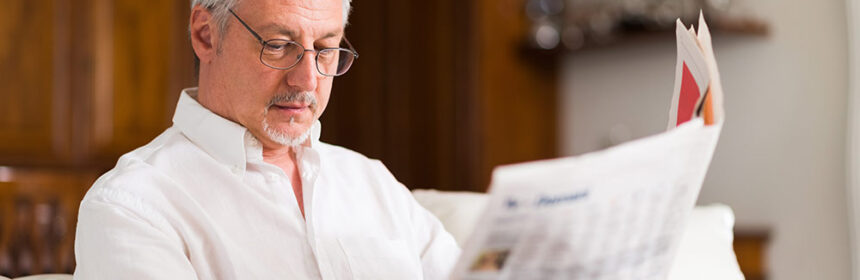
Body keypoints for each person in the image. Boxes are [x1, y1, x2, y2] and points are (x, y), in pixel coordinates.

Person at [72, 0, 461, 279]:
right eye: (278, 45)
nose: (308, 80)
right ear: (205, 35)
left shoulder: (373, 183)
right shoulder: (133, 208)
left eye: (326, 50)